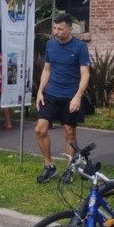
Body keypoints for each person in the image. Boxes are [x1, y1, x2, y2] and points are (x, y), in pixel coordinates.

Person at [35, 13, 90, 184]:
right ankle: (49, 166)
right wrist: (39, 91)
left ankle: (69, 168)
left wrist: (78, 96)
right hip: (51, 94)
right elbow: (47, 69)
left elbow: (85, 74)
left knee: (69, 132)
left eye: (60, 29)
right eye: (54, 28)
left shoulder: (80, 47)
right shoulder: (51, 44)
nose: (56, 32)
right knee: (40, 129)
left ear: (70, 29)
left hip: (70, 96)